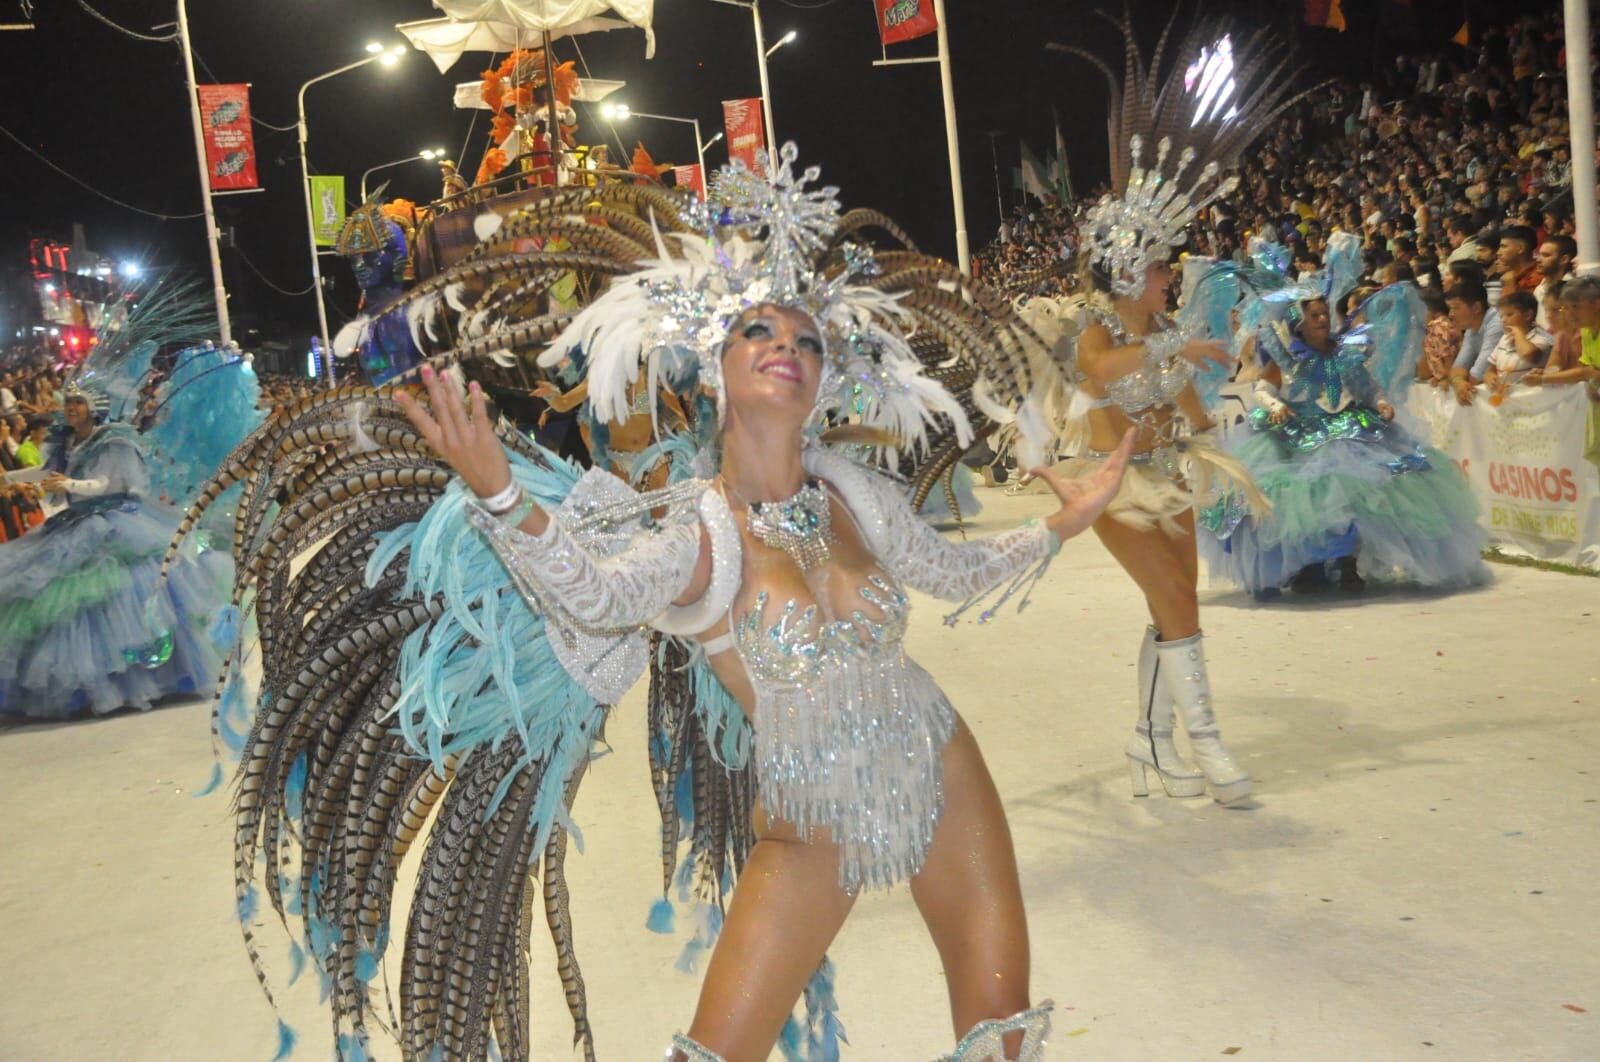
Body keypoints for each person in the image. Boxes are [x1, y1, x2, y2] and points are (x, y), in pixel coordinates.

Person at [194, 148, 1121, 1061]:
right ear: (715, 368)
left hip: (944, 767)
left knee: (1002, 1038)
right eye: (761, 333)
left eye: (806, 340)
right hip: (812, 825)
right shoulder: (701, 532)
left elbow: (949, 572)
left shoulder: (852, 489)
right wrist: (500, 496)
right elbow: (596, 598)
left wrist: (1060, 528)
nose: (787, 351)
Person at [1037, 11, 1309, 806]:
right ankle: (1211, 748)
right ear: (1127, 271)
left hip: (1171, 476)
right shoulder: (1095, 327)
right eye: (1160, 267)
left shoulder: (1166, 327)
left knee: (1175, 605)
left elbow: (1191, 405)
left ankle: (1150, 742)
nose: (1170, 277)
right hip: (1111, 484)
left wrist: (1224, 422)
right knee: (1179, 601)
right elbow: (1101, 370)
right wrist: (1175, 353)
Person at [1204, 294, 1488, 595]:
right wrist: (1274, 405)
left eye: (1324, 314)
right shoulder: (1287, 356)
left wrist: (1379, 403)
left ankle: (1346, 563)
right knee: (1303, 500)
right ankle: (1308, 566)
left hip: (1350, 431)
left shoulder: (1345, 353)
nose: (1323, 320)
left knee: (1358, 495)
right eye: (1314, 316)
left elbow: (1367, 387)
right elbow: (1263, 389)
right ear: (1300, 323)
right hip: (1298, 433)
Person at [0, 390, 232, 717]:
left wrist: (69, 485)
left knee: (124, 594)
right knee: (66, 600)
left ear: (94, 408)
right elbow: (44, 471)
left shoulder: (111, 441)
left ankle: (145, 678)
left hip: (113, 521)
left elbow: (106, 483)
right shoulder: (64, 440)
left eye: (79, 402)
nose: (72, 409)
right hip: (75, 521)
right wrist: (10, 477)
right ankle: (87, 686)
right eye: (69, 403)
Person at [1484, 289, 1554, 400]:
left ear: (1528, 315)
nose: (1503, 320)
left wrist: (1517, 332)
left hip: (1531, 399)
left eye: (1509, 315)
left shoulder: (1541, 339)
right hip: (1507, 398)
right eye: (1501, 316)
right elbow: (1491, 368)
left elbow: (1529, 354)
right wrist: (1489, 377)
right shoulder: (1504, 339)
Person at [1447, 279, 1504, 404]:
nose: (1451, 315)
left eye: (1455, 308)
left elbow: (1478, 376)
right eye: (1450, 309)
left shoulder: (1497, 322)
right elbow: (1457, 368)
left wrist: (1462, 382)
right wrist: (1459, 382)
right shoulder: (1471, 329)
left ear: (1477, 307)